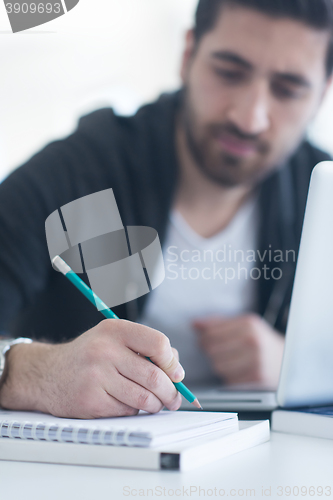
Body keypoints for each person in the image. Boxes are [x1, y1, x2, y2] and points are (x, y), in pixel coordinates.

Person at [0, 0, 332, 418]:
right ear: (188, 54)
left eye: (287, 89)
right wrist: (37, 371)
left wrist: (300, 364)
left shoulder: (321, 194)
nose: (249, 117)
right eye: (229, 72)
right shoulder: (80, 171)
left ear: (322, 93)